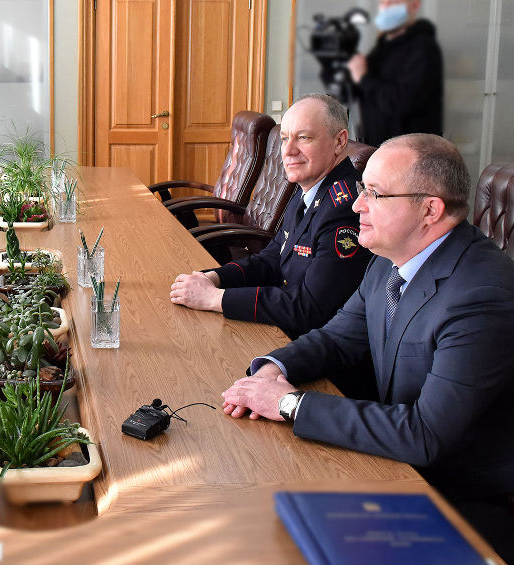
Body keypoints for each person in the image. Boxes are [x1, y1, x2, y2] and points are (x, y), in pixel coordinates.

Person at [221, 134, 514, 561]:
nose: (357, 204)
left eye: (375, 193)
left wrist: (288, 404)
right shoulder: (389, 259)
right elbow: (337, 337)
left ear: (430, 210)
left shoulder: (480, 296)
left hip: (459, 493)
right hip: (395, 464)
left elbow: (425, 434)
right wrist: (273, 369)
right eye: (362, 189)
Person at [170, 94, 372, 340]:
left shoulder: (346, 208)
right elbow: (273, 258)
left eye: (304, 138)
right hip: (283, 328)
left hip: (311, 345)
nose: (288, 151)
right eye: (285, 138)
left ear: (339, 141)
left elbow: (309, 308)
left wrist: (215, 298)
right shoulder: (311, 187)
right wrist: (214, 277)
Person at [348, 0, 443, 146]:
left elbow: (403, 101)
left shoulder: (423, 48)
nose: (386, 6)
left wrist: (363, 78)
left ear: (415, 5)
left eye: (393, 2)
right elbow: (360, 91)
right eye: (383, 2)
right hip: (379, 147)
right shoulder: (382, 47)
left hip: (410, 151)